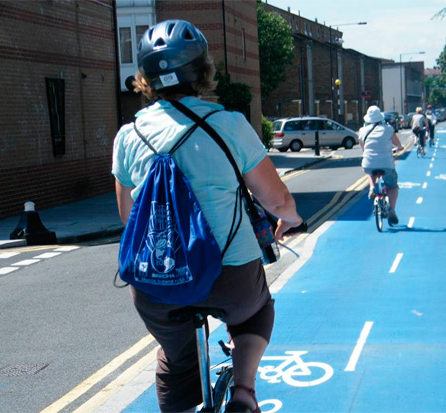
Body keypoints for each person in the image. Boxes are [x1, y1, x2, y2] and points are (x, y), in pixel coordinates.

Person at [111, 20, 303, 413]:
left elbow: (129, 218)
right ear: (203, 71)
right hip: (230, 276)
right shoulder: (229, 124)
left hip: (157, 285)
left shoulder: (128, 136)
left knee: (175, 354)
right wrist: (293, 219)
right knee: (256, 313)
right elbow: (277, 201)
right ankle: (245, 394)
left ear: (145, 78)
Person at [358, 106, 403, 226]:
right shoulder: (388, 129)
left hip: (369, 163)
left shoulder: (362, 131)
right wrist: (399, 148)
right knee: (393, 186)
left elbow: (363, 147)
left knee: (369, 169)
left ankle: (372, 187)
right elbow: (397, 144)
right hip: (386, 164)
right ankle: (392, 210)